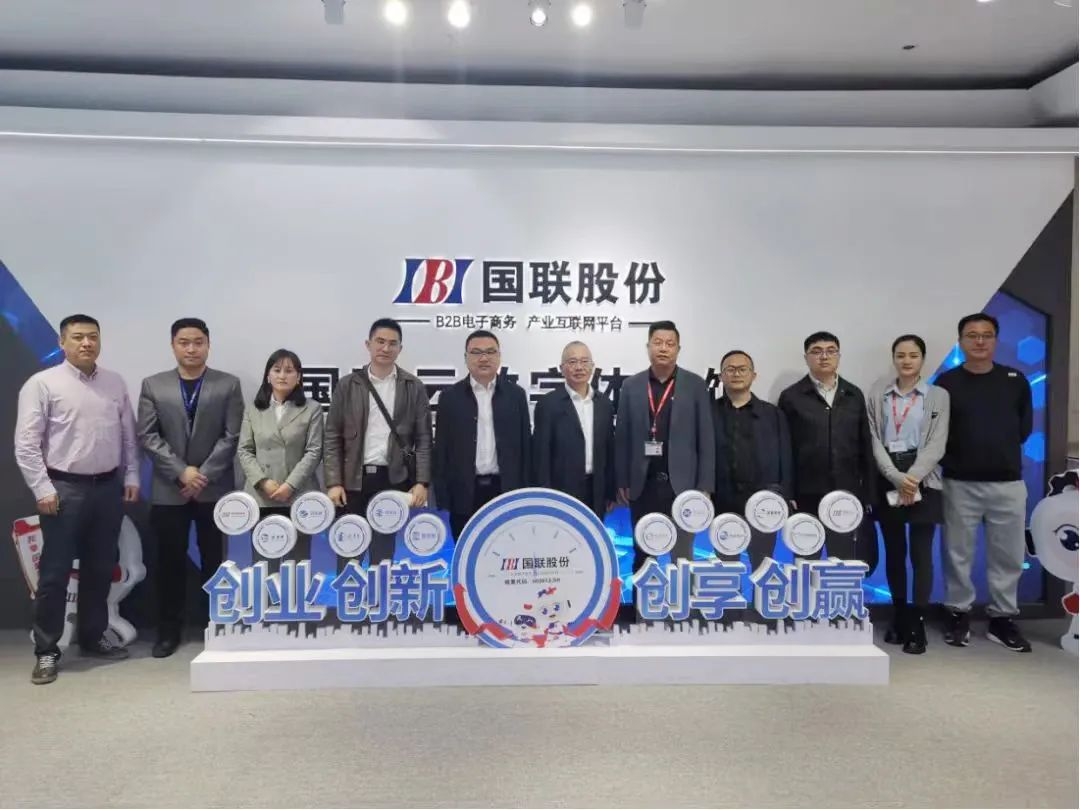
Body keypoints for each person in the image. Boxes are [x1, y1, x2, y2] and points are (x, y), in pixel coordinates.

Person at [14, 315, 140, 684]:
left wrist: (132, 475)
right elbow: (26, 445)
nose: (86, 343)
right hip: (63, 489)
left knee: (100, 568)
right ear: (62, 342)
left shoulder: (114, 383)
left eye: (93, 337)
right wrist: (43, 489)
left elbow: (128, 436)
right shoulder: (42, 384)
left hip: (108, 488)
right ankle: (47, 650)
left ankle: (92, 636)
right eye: (78, 337)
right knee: (55, 574)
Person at [137, 318, 243, 659]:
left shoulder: (228, 385)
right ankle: (169, 631)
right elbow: (148, 436)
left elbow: (232, 435)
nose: (192, 349)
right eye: (184, 342)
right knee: (169, 562)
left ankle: (218, 624)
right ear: (173, 345)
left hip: (214, 490)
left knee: (216, 560)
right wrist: (182, 472)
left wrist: (203, 475)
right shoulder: (154, 385)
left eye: (198, 342)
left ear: (208, 344)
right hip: (170, 490)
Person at [936, 312, 1033, 652]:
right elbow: (938, 431)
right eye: (972, 335)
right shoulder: (946, 383)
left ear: (995, 340)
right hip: (959, 482)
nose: (979, 341)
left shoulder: (1015, 380)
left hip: (1007, 483)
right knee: (957, 553)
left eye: (987, 335)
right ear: (960, 341)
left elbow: (1023, 428)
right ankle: (957, 613)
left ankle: (1002, 618)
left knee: (1008, 556)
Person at [324, 318, 432, 565]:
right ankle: (349, 590)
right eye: (380, 341)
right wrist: (334, 482)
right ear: (368, 344)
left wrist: (422, 482)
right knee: (348, 551)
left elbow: (424, 438)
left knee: (384, 554)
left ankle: (379, 591)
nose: (385, 348)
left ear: (400, 349)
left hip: (393, 479)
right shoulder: (348, 385)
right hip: (353, 481)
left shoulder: (413, 386)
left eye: (392, 343)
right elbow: (331, 436)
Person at [867, 334, 950, 655]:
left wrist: (912, 478)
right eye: (900, 355)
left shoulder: (938, 396)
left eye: (913, 355)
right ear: (894, 359)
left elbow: (938, 442)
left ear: (922, 360)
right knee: (895, 551)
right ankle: (899, 614)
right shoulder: (879, 393)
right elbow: (874, 438)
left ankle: (917, 620)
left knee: (921, 554)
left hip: (924, 479)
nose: (906, 361)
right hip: (889, 475)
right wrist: (895, 476)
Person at [615, 320, 715, 574]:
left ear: (678, 349)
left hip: (683, 485)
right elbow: (623, 437)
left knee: (682, 555)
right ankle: (643, 600)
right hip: (643, 483)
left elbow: (705, 436)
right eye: (657, 342)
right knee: (643, 551)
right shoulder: (631, 386)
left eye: (670, 344)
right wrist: (623, 480)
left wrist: (704, 485)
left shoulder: (695, 385)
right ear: (648, 347)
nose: (663, 348)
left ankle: (681, 599)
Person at [778, 331, 877, 567]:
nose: (824, 356)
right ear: (806, 357)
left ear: (839, 356)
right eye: (816, 351)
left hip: (846, 494)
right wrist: (787, 493)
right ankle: (805, 592)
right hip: (805, 493)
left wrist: (869, 493)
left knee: (842, 561)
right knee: (805, 561)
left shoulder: (853, 394)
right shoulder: (791, 397)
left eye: (831, 351)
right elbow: (784, 449)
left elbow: (865, 445)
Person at [434, 330, 530, 540]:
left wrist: (525, 492)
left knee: (507, 549)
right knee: (466, 550)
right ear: (466, 357)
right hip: (464, 492)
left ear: (499, 356)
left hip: (505, 490)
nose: (484, 358)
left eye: (490, 352)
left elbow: (526, 448)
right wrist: (442, 495)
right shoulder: (450, 398)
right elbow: (441, 448)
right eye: (476, 352)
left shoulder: (516, 395)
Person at [236, 349, 324, 563]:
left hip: (299, 495)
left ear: (299, 376)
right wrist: (263, 482)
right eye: (277, 370)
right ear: (268, 376)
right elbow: (244, 450)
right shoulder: (253, 409)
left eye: (289, 371)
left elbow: (314, 451)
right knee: (264, 562)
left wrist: (290, 485)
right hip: (262, 495)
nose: (282, 376)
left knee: (299, 561)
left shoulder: (312, 409)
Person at [711, 349, 793, 574]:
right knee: (725, 567)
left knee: (763, 565)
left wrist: (786, 495)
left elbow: (785, 456)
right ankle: (728, 598)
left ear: (753, 375)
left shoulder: (772, 414)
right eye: (730, 369)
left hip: (763, 503)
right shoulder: (709, 412)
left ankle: (763, 598)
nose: (736, 374)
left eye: (742, 369)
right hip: (722, 502)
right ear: (721, 376)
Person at [532, 341, 615, 518]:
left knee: (593, 534)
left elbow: (609, 450)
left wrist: (610, 491)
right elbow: (541, 456)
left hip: (596, 490)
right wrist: (544, 495)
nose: (579, 367)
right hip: (561, 491)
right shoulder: (548, 405)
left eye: (584, 362)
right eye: (572, 362)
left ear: (592, 367)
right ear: (562, 368)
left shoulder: (604, 404)